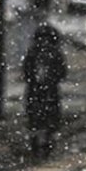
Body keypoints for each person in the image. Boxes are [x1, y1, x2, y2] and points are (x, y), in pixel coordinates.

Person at [22, 24, 68, 158]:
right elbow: (62, 72)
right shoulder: (55, 53)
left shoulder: (33, 52)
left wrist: (34, 80)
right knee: (50, 117)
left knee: (35, 117)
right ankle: (46, 140)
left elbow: (26, 71)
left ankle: (36, 140)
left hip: (35, 91)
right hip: (50, 91)